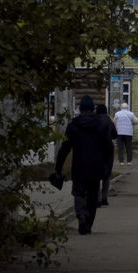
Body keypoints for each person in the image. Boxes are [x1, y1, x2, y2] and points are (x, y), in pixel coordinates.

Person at [53, 95, 116, 234]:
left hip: (79, 166)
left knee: (79, 193)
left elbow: (65, 148)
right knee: (93, 197)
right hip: (96, 167)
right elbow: (109, 147)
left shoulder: (73, 125)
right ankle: (88, 225)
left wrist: (58, 168)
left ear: (80, 109)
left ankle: (81, 213)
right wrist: (104, 162)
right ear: (92, 109)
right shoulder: (101, 125)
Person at [94, 103, 115, 207]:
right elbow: (115, 135)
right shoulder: (109, 121)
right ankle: (104, 198)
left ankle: (97, 199)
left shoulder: (94, 120)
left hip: (96, 150)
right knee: (106, 175)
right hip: (108, 150)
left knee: (97, 175)